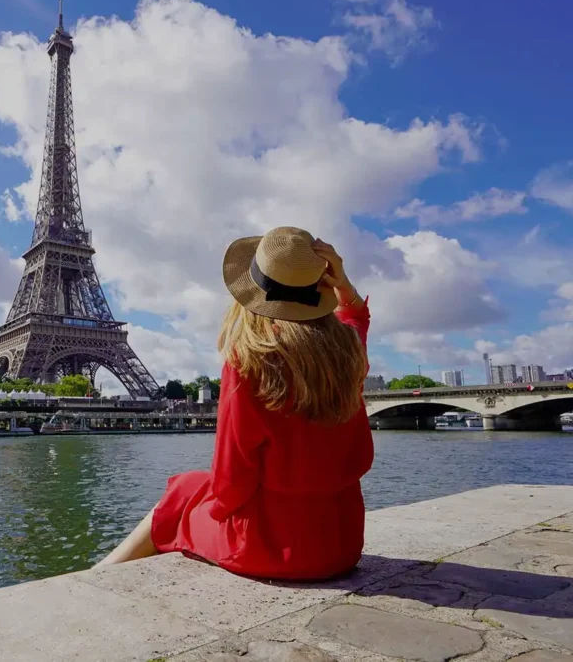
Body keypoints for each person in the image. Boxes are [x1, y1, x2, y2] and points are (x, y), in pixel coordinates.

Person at [96, 226, 372, 580]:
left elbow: (231, 483)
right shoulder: (348, 355)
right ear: (321, 286)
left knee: (179, 495)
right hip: (342, 545)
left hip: (269, 550)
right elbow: (355, 323)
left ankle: (96, 576)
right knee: (188, 488)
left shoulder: (251, 360)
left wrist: (205, 507)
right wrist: (345, 287)